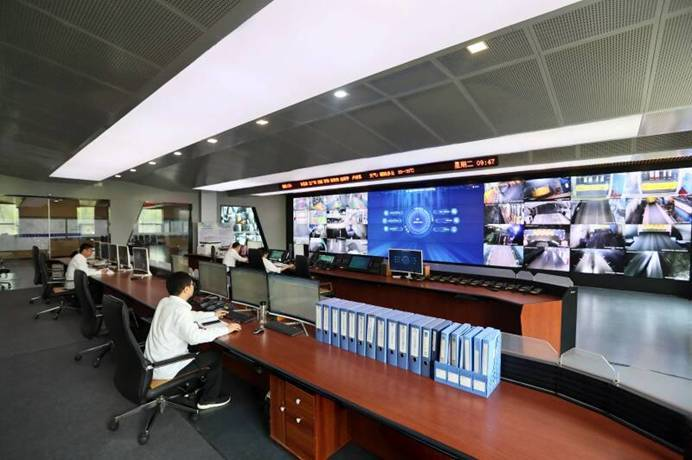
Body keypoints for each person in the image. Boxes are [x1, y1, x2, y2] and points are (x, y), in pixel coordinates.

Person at [144, 272, 241, 410]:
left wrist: (213, 315)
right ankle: (208, 400)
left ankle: (198, 383)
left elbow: (189, 315)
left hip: (151, 362)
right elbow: (194, 338)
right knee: (214, 356)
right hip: (166, 367)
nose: (193, 286)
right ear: (186, 289)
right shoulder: (180, 310)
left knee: (198, 351)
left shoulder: (165, 302)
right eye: (192, 284)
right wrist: (227, 329)